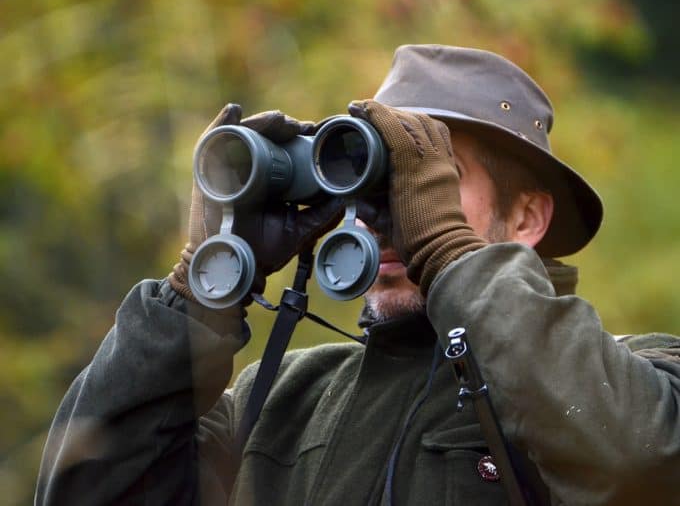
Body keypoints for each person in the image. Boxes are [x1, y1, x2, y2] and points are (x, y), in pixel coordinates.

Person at [35, 45, 680, 505]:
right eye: (381, 178)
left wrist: (449, 249)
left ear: (528, 217)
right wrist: (197, 290)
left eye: (431, 178)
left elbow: (634, 466)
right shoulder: (278, 404)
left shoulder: (636, 382)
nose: (392, 215)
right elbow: (86, 487)